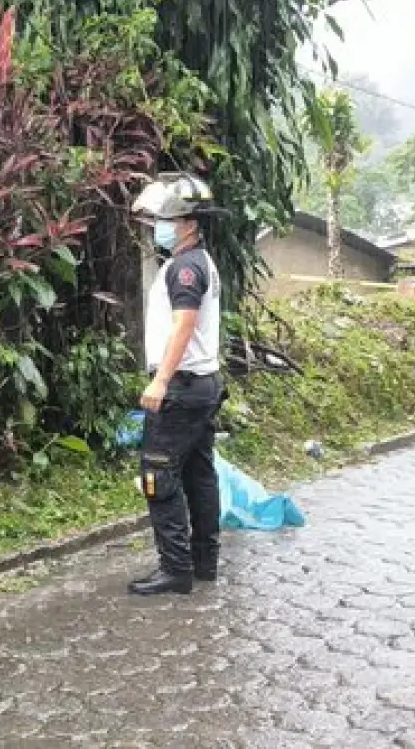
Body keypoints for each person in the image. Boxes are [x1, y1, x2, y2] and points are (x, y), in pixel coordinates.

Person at [128, 172, 224, 596]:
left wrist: (160, 382)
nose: (158, 229)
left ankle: (175, 568)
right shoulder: (200, 261)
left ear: (187, 223)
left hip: (182, 387)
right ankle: (204, 562)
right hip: (203, 385)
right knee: (199, 474)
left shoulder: (184, 268)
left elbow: (183, 325)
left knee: (158, 474)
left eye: (162, 220)